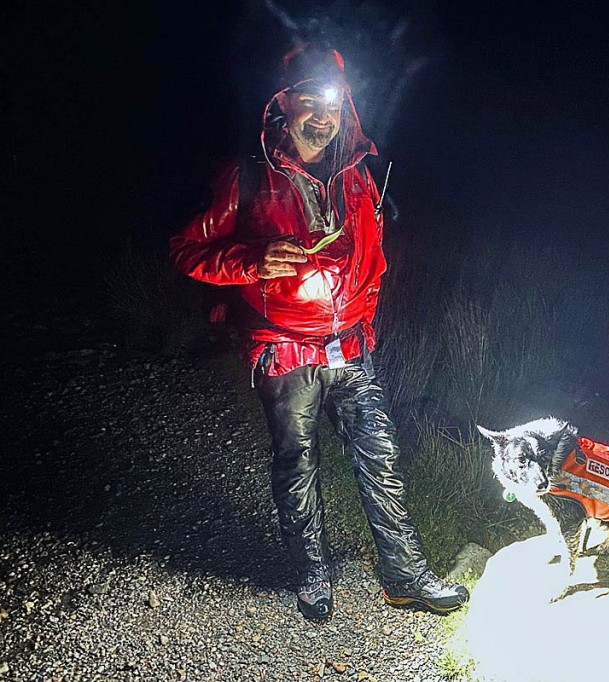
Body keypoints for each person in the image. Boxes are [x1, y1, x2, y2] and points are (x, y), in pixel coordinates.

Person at [169, 44, 469, 620]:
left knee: (380, 459)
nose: (322, 116)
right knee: (296, 463)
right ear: (282, 106)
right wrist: (251, 261)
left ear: (344, 109)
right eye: (308, 100)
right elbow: (187, 249)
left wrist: (364, 317)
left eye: (331, 103)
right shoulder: (247, 173)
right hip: (282, 349)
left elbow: (374, 257)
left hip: (351, 345)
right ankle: (312, 576)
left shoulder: (358, 175)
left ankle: (405, 576)